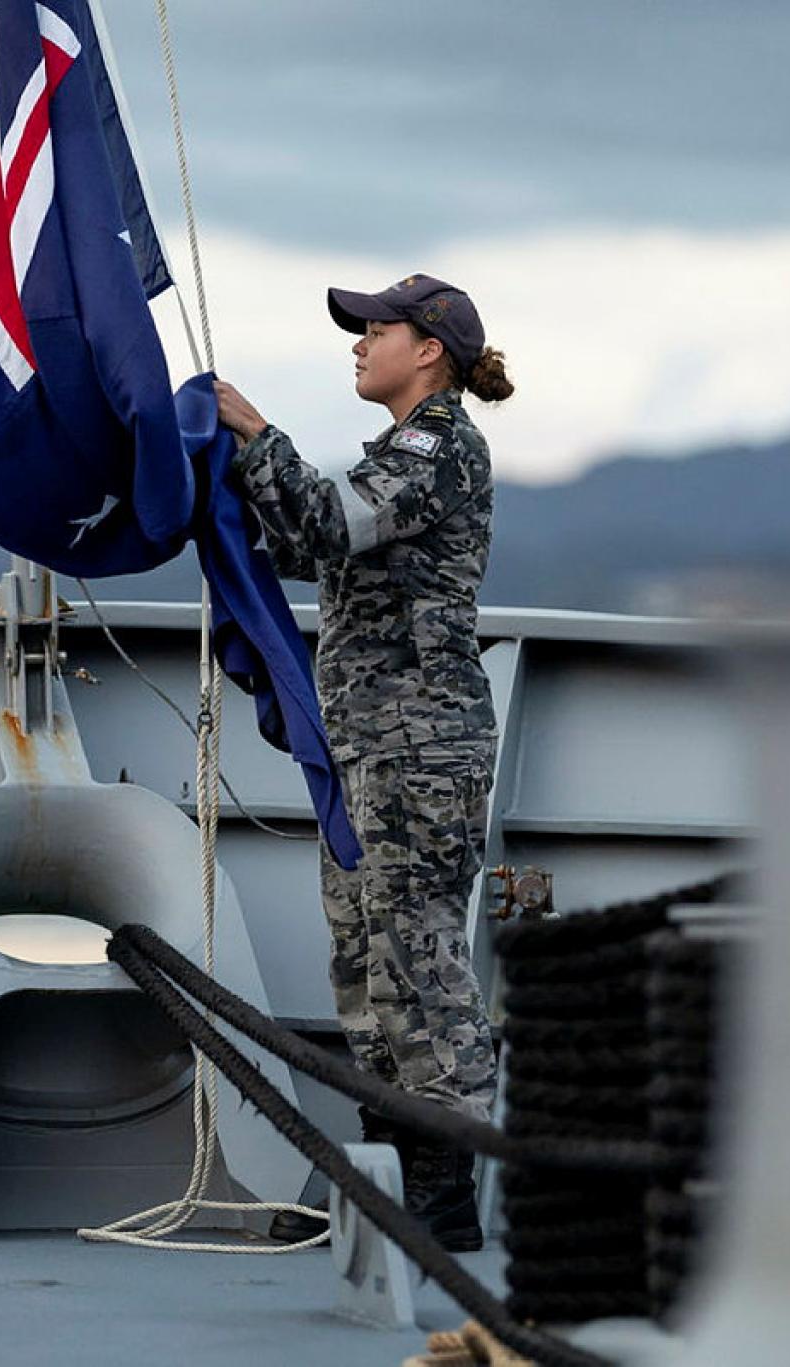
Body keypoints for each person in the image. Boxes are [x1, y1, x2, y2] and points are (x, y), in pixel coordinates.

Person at [213, 273, 515, 1251]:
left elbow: (326, 522)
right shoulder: (394, 455)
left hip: (417, 748)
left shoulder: (435, 445)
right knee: (365, 967)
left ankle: (442, 1189)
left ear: (425, 348)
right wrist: (235, 478)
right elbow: (310, 542)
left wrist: (255, 434)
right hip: (369, 748)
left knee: (419, 961)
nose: (357, 343)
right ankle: (389, 1177)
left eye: (372, 329)